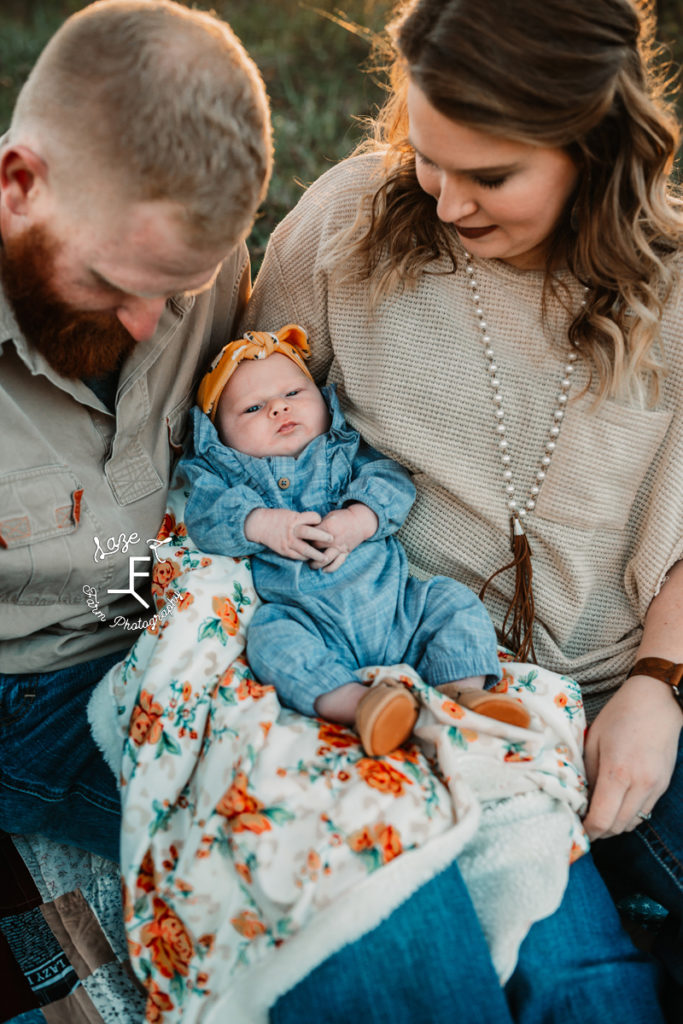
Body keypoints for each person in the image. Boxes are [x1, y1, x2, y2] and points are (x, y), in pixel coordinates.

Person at [239, 0, 683, 1015]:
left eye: (488, 177)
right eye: (427, 157)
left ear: (594, 150)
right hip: (439, 705)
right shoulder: (348, 228)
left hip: (631, 690)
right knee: (585, 995)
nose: (444, 203)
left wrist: (657, 685)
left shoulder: (671, 283)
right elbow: (249, 430)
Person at [0, 0, 272, 863]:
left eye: (179, 289)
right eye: (117, 282)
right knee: (273, 838)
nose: (151, 325)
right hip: (28, 689)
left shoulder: (187, 256)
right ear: (19, 184)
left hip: (182, 617)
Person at [179, 323, 530, 756]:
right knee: (269, 639)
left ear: (323, 402)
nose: (277, 409)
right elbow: (205, 517)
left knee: (453, 601)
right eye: (252, 408)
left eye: (292, 394)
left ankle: (463, 693)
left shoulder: (342, 448)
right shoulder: (228, 476)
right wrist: (263, 523)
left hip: (401, 611)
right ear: (219, 439)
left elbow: (392, 482)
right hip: (310, 623)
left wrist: (358, 520)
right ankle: (364, 705)